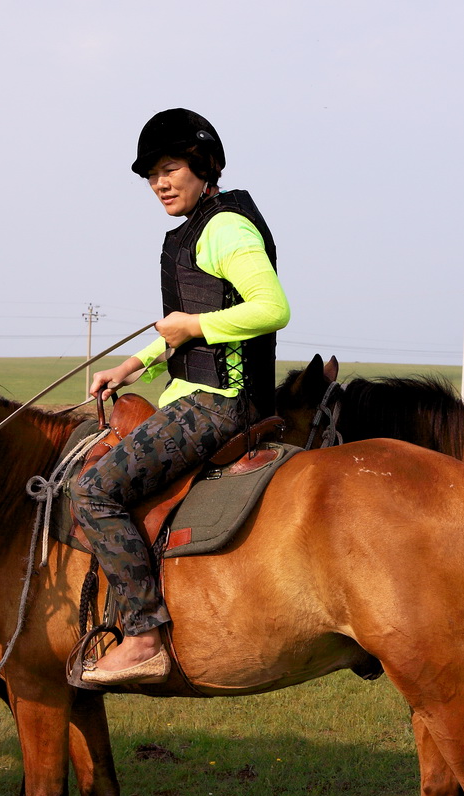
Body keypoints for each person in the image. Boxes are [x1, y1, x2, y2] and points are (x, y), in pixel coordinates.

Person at [74, 108, 290, 685]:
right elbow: (181, 326)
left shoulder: (226, 228)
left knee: (93, 489)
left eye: (170, 169)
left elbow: (273, 308)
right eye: (152, 176)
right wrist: (133, 364)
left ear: (203, 167)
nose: (161, 184)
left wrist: (193, 329)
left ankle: (143, 635)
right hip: (189, 393)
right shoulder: (193, 229)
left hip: (223, 401)